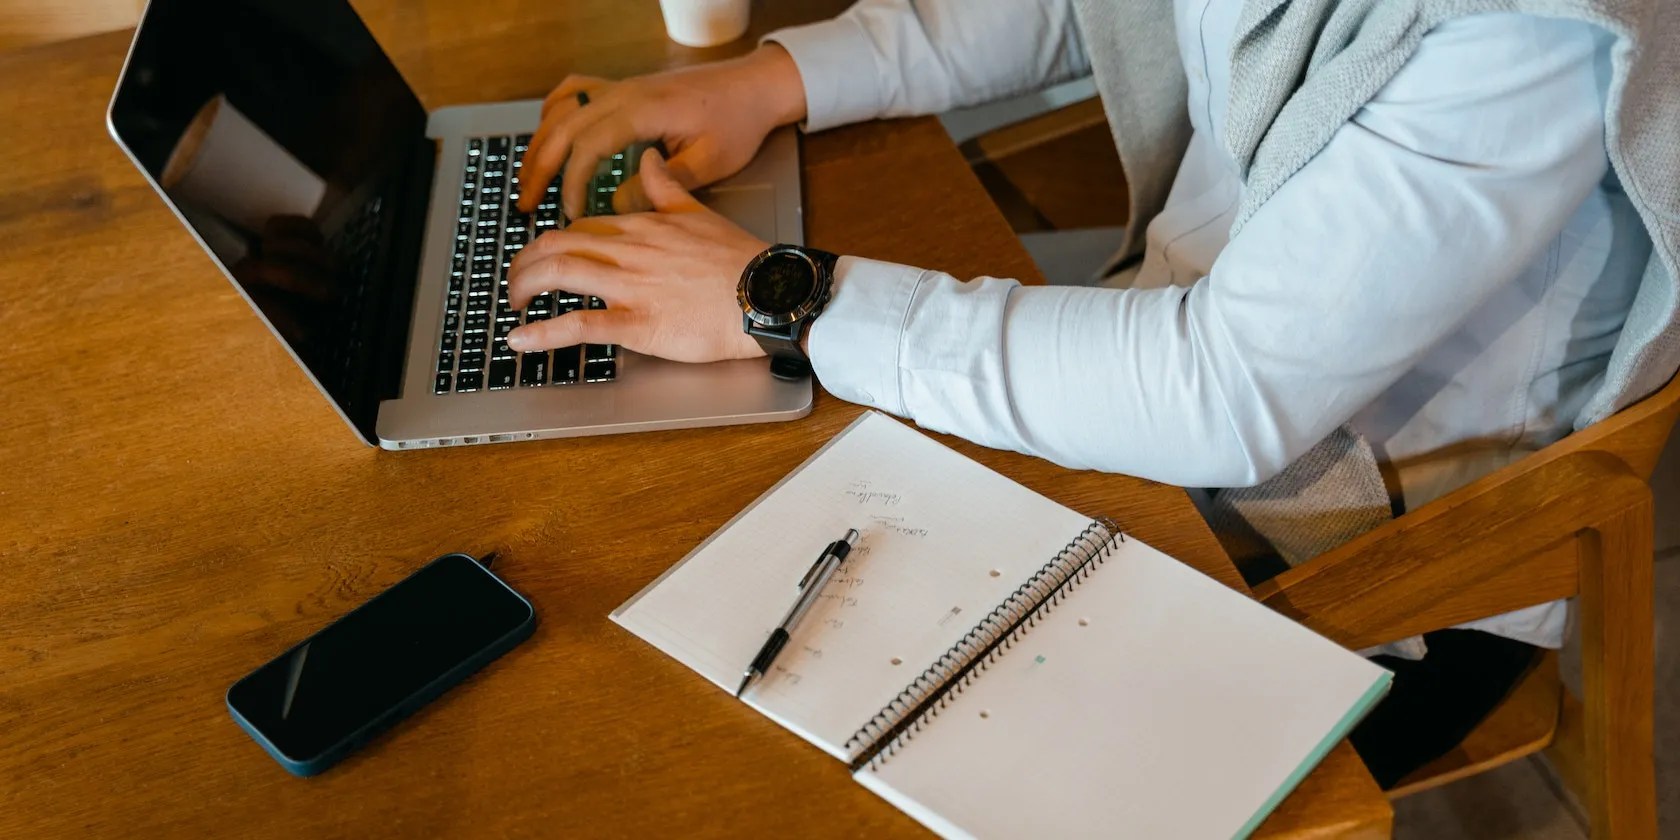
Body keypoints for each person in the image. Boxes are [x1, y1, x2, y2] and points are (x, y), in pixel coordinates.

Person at [504, 0, 1679, 787]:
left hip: (1370, 571)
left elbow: (1224, 392)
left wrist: (785, 297)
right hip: (1166, 401)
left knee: (713, 726)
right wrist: (778, 78)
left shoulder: (1531, 36)